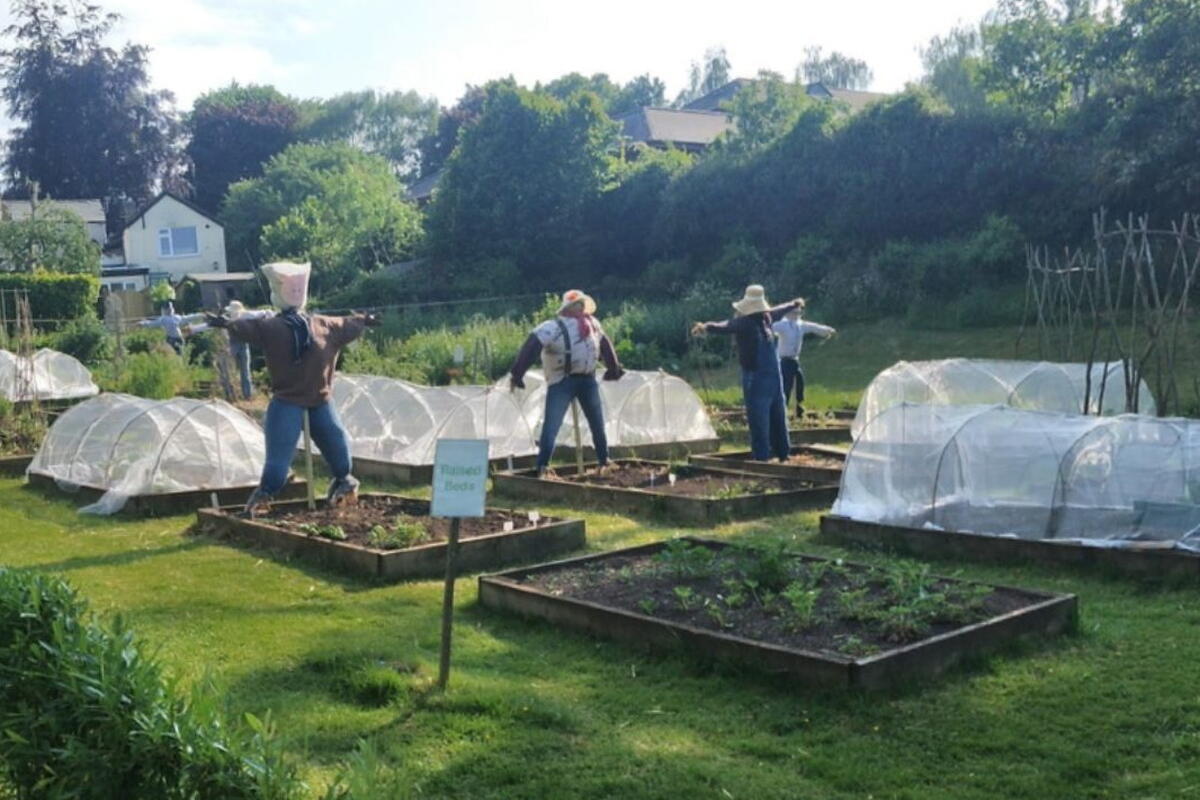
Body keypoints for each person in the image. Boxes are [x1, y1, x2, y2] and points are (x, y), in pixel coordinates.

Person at [206, 262, 378, 514]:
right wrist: (229, 324)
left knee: (338, 448)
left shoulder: (323, 325)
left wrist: (363, 320)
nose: (296, 293)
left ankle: (343, 483)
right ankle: (263, 497)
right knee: (277, 463)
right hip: (287, 401)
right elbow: (248, 328)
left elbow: (345, 323)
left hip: (320, 399)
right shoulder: (272, 326)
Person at [508, 289, 624, 474]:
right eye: (576, 304)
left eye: (581, 304)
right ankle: (543, 466)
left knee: (597, 423)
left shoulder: (592, 324)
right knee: (552, 425)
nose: (580, 307)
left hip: (587, 379)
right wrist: (517, 374)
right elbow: (531, 346)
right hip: (562, 381)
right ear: (568, 308)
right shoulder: (551, 327)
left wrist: (613, 367)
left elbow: (604, 345)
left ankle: (604, 460)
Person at [691, 284, 802, 462]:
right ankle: (764, 458)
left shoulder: (766, 318)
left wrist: (793, 304)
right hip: (758, 379)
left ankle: (782, 454)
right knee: (763, 420)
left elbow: (779, 310)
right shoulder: (747, 323)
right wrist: (707, 327)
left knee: (776, 417)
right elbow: (725, 326)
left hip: (771, 380)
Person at [772, 300, 835, 418]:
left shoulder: (800, 325)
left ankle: (799, 407)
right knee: (786, 385)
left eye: (798, 313)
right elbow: (771, 327)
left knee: (799, 383)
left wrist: (827, 330)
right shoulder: (783, 325)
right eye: (794, 313)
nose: (797, 315)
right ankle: (782, 410)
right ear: (788, 314)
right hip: (784, 360)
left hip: (794, 360)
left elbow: (814, 327)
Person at [222, 300, 272, 400]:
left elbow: (259, 314)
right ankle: (240, 394)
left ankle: (245, 395)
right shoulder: (234, 317)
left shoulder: (244, 316)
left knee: (243, 370)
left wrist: (267, 313)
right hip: (236, 344)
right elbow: (260, 314)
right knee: (239, 370)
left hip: (240, 344)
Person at [139, 301, 204, 355]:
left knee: (177, 355)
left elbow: (153, 323)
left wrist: (143, 323)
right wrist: (200, 315)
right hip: (173, 339)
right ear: (166, 309)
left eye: (170, 308)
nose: (170, 310)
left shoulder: (172, 318)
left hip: (177, 339)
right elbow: (153, 323)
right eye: (168, 308)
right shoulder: (167, 318)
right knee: (176, 355)